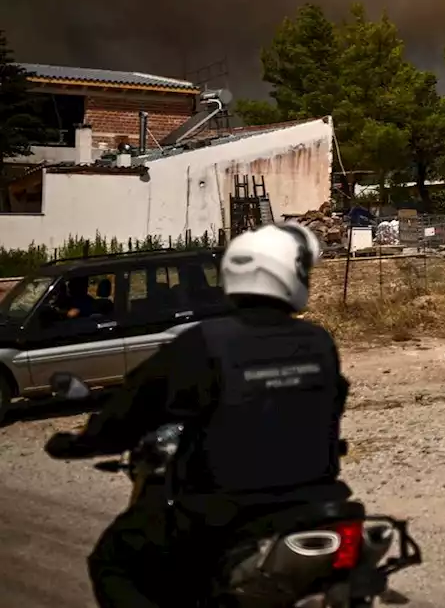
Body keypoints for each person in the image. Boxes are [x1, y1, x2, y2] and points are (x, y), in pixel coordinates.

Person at [45, 223, 350, 608]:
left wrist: (82, 442)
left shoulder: (205, 342)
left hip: (226, 511)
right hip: (318, 500)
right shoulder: (319, 341)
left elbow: (133, 406)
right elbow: (330, 405)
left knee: (113, 562)